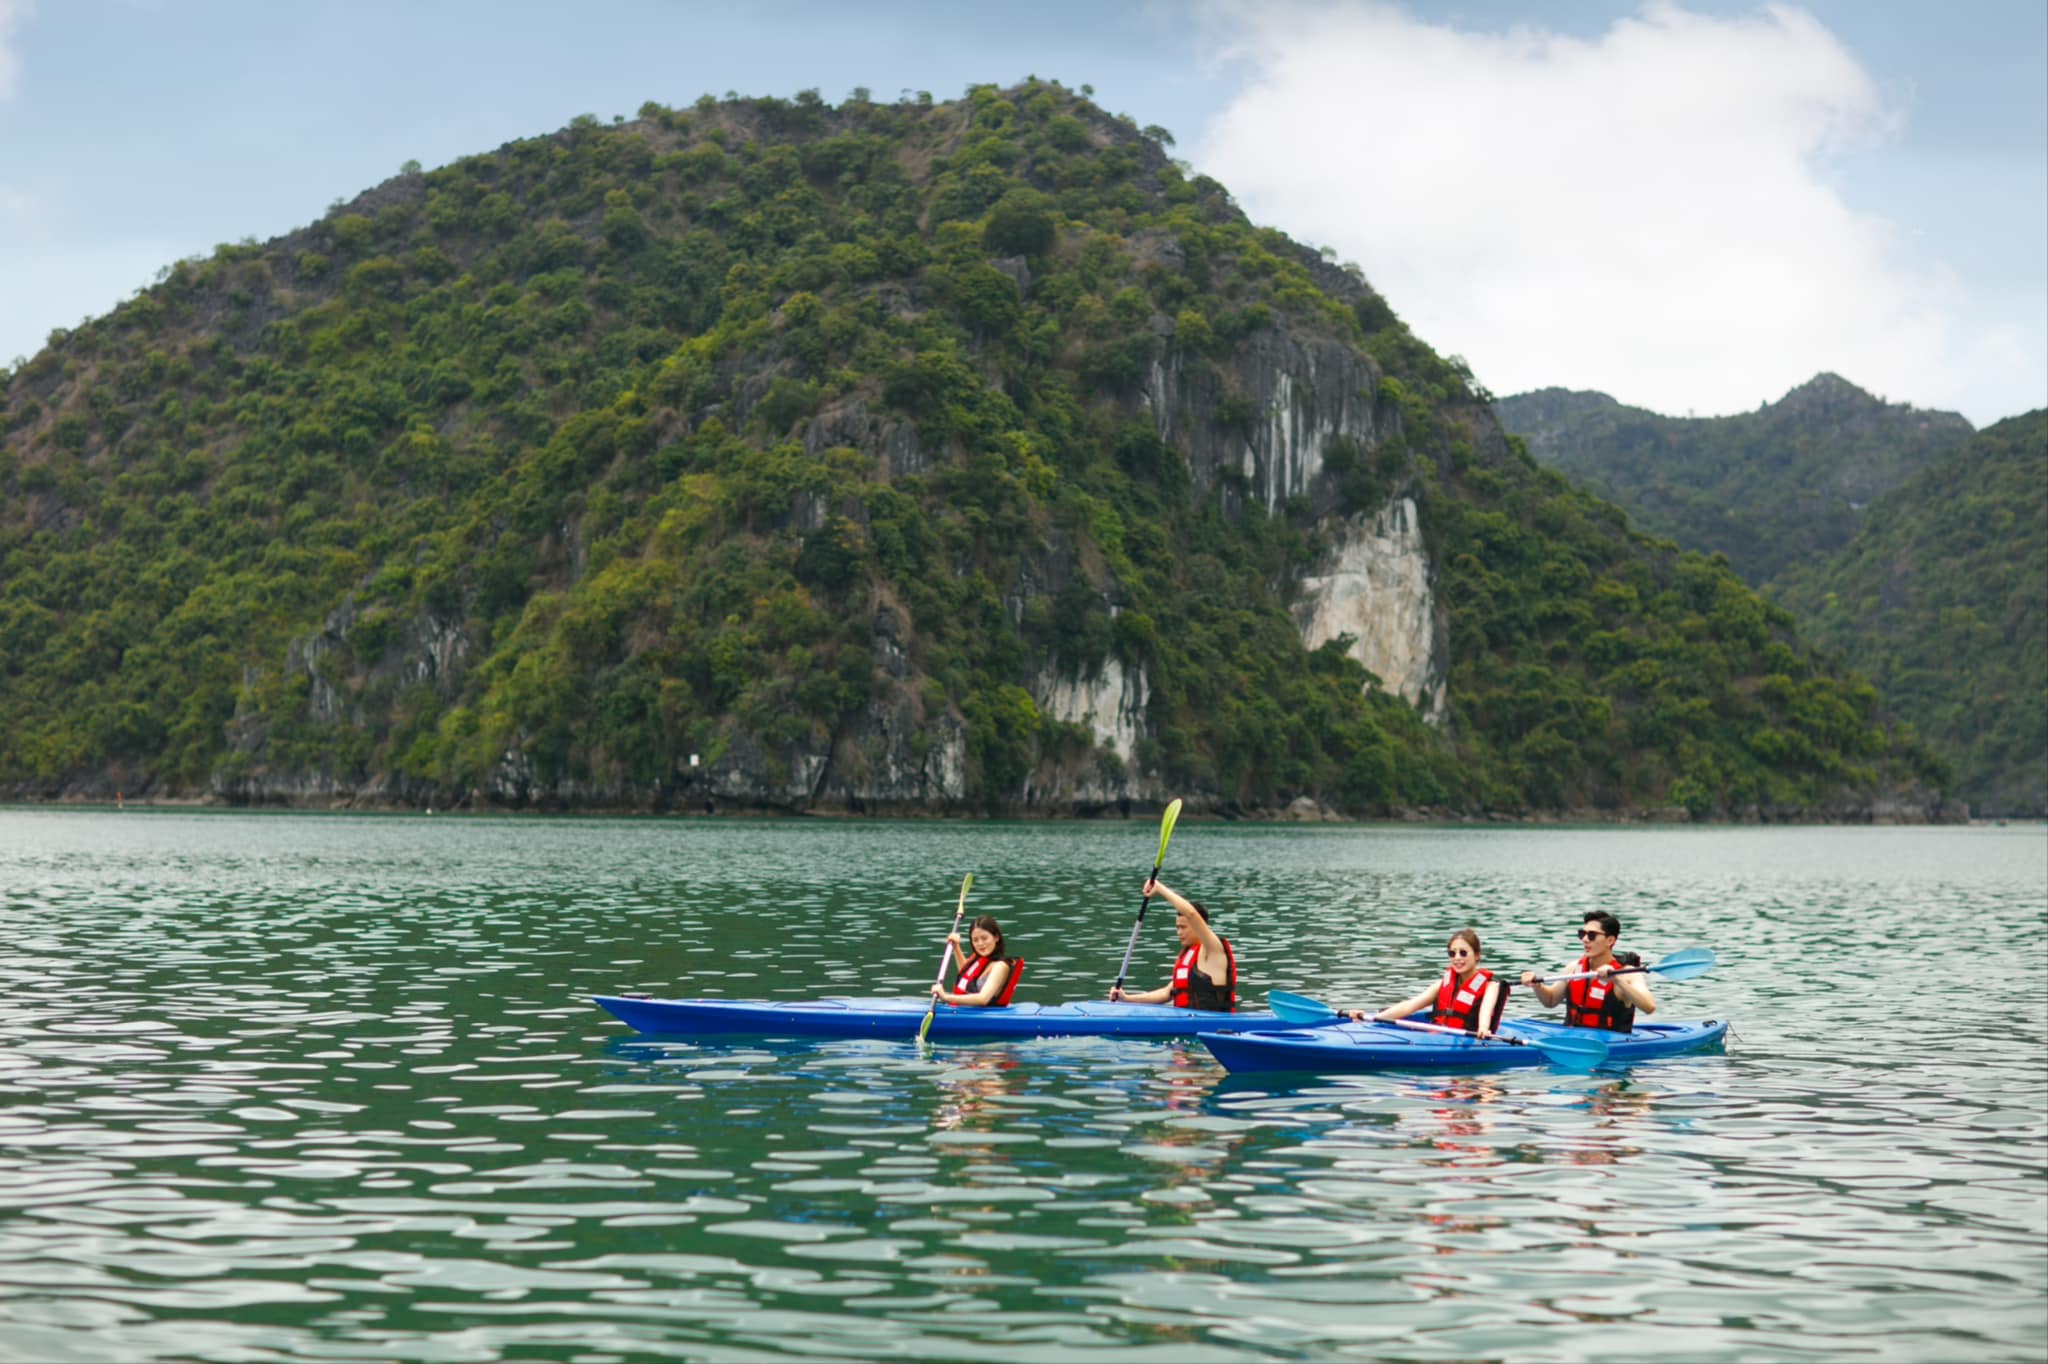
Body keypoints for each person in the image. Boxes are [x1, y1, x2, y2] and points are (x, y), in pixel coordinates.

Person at [1347, 927, 1507, 1037]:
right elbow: (1409, 1006)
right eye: (1452, 953)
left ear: (1477, 955)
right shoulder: (1442, 984)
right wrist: (1372, 1018)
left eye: (1463, 953)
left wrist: (1484, 1029)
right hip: (1438, 1037)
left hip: (1468, 1040)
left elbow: (1485, 1011)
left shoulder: (1490, 986)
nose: (1457, 958)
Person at [1106, 878, 1236, 1011]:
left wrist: (1159, 888)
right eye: (1177, 927)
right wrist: (1127, 999)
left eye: (1183, 927)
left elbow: (1191, 914)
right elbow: (1166, 993)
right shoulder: (1189, 956)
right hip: (1187, 1026)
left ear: (1198, 926)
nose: (1179, 932)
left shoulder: (1214, 949)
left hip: (1216, 1027)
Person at [1520, 911, 1656, 1032]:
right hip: (1573, 1036)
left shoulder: (1628, 974)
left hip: (1610, 1045)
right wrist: (1537, 986)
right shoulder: (1573, 968)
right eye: (1582, 934)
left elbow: (1649, 1007)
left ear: (1610, 940)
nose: (1584, 939)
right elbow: (1550, 1001)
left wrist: (1617, 980)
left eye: (1592, 935)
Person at [930, 914, 1023, 1008]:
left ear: (996, 937)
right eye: (975, 940)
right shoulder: (980, 960)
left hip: (985, 1018)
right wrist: (956, 946)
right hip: (966, 1012)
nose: (980, 944)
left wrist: (946, 997)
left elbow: (983, 999)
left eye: (984, 938)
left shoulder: (1000, 966)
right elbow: (966, 974)